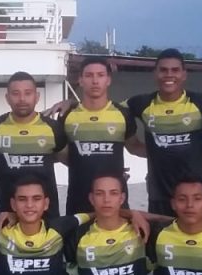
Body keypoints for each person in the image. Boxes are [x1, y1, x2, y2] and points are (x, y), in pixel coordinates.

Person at [121, 49, 202, 216]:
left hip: (194, 198)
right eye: (163, 70)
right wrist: (74, 105)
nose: (169, 75)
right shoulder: (142, 103)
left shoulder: (201, 103)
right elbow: (109, 111)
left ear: (184, 74)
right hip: (159, 196)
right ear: (155, 73)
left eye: (175, 70)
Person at [57, 56, 141, 215]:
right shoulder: (67, 115)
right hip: (78, 199)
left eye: (100, 75)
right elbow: (61, 153)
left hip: (114, 201)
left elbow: (134, 146)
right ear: (80, 80)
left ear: (108, 80)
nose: (95, 81)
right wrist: (87, 165)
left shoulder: (123, 114)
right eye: (89, 76)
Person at [0, 71, 67, 220]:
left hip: (48, 216)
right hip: (7, 214)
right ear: (7, 98)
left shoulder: (53, 128)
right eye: (15, 93)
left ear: (37, 96)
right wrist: (5, 176)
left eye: (28, 93)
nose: (22, 99)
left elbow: (70, 160)